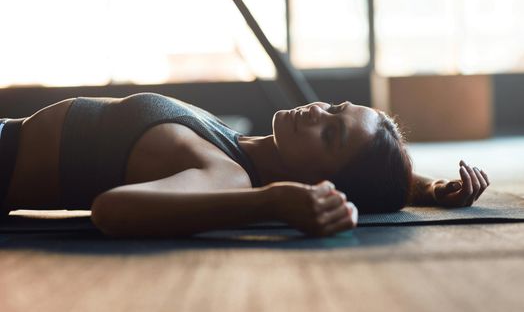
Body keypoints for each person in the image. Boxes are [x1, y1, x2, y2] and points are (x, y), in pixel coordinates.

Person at [0, 92, 489, 237]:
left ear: (319, 181)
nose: (316, 113)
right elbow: (361, 172)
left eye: (331, 132)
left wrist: (271, 202)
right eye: (335, 108)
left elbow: (111, 211)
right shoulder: (245, 144)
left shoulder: (228, 175)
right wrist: (424, 188)